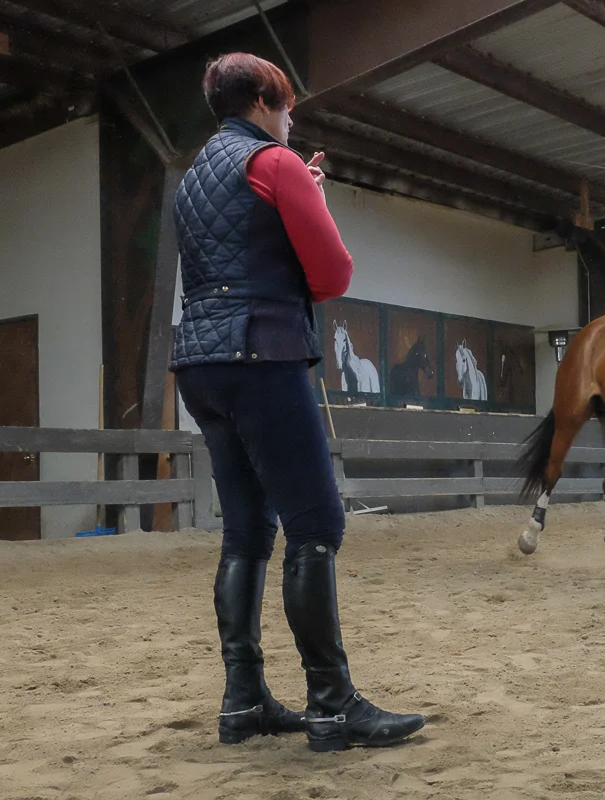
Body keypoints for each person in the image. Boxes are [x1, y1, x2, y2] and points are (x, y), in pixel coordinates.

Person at [170, 52, 424, 752]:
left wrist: (295, 193)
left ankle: (244, 699)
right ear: (260, 101)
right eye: (286, 108)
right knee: (316, 525)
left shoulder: (194, 178)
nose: (290, 120)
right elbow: (332, 273)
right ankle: (333, 704)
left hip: (199, 361)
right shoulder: (274, 164)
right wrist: (306, 192)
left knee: (247, 531)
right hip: (263, 355)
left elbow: (235, 248)